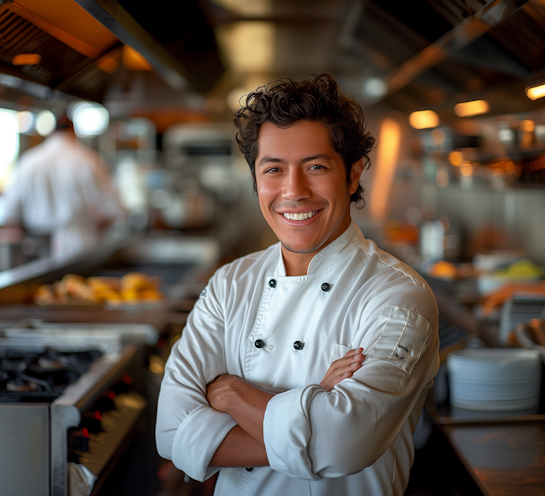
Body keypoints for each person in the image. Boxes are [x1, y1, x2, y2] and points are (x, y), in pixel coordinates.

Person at [156, 74, 439, 495]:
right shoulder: (229, 285)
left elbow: (339, 448)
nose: (293, 191)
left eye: (316, 167)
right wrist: (315, 406)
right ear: (255, 180)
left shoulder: (398, 297)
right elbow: (172, 434)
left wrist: (231, 394)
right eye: (273, 169)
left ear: (353, 174)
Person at [1, 116, 125, 258]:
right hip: (80, 245)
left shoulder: (28, 161)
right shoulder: (88, 159)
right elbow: (115, 209)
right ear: (73, 130)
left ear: (50, 131)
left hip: (35, 247)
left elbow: (9, 213)